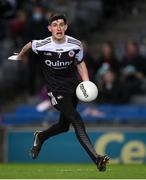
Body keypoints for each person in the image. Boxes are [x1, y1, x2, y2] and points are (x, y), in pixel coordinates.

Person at [16, 13, 110, 171]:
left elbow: (80, 63)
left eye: (61, 24)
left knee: (63, 126)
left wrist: (86, 82)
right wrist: (20, 56)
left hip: (73, 88)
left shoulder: (75, 44)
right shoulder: (42, 44)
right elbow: (28, 45)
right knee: (77, 120)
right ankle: (97, 159)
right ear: (50, 28)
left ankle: (41, 136)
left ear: (66, 27)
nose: (58, 27)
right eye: (55, 24)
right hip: (55, 90)